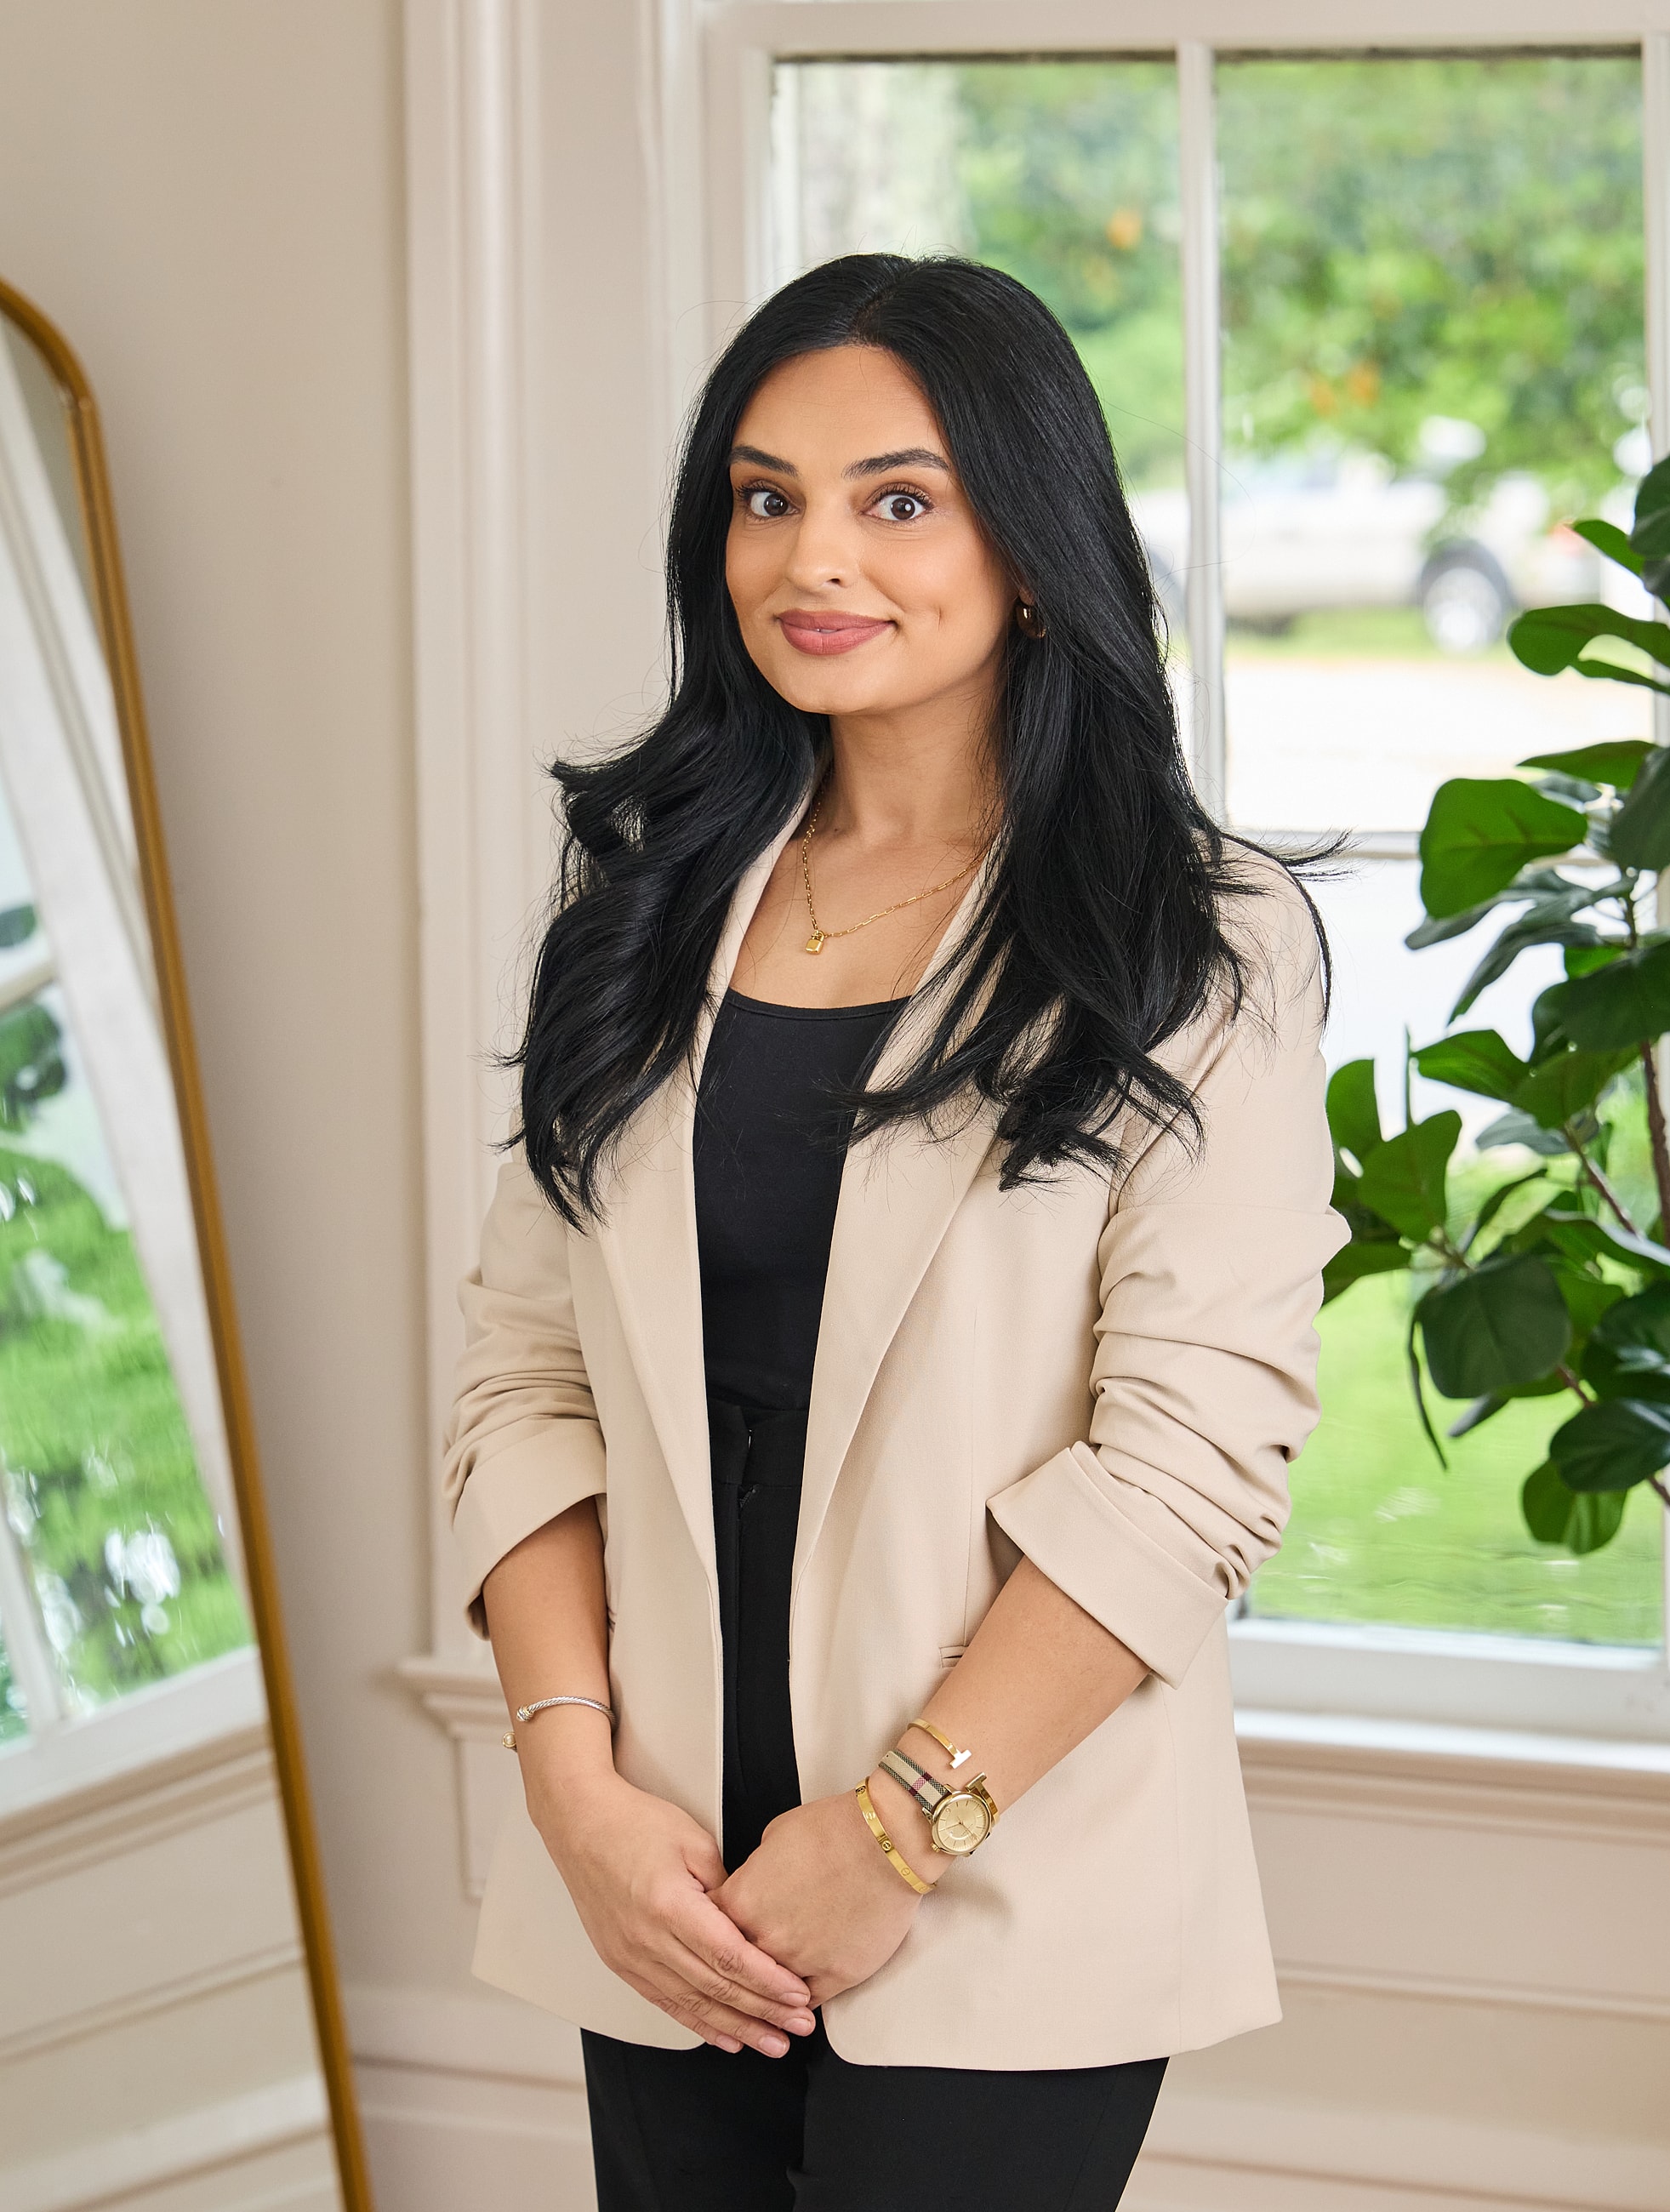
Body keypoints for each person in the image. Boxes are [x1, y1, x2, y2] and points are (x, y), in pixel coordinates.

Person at [443, 253, 1345, 2211]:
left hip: (996, 1873)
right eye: (765, 497)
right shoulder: (638, 902)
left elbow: (1190, 1459)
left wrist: (895, 1831)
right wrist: (573, 1784)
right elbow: (522, 1376)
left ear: (1031, 539)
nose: (811, 557)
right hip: (659, 1877)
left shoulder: (1199, 937)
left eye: (897, 498)